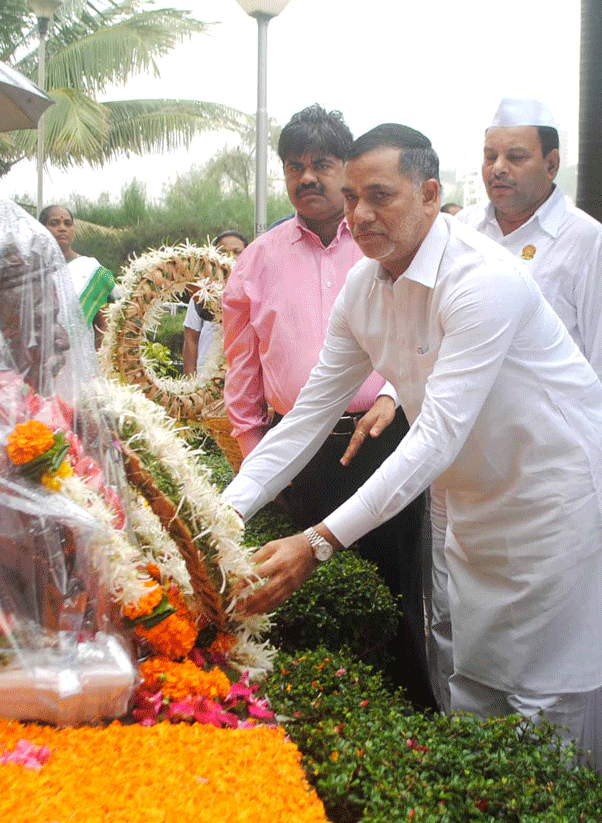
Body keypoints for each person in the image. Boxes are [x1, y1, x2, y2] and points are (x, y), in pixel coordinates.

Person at [225, 122, 602, 766]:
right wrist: (221, 517)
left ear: (430, 193)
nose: (361, 216)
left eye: (380, 196)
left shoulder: (484, 279)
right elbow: (306, 418)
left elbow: (435, 435)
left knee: (549, 714)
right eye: (352, 199)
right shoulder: (363, 288)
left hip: (553, 506)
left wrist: (318, 543)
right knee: (476, 695)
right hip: (473, 510)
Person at [222, 104, 433, 709]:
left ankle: (404, 706)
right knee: (309, 590)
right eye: (294, 166)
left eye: (321, 164)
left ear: (347, 172)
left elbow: (420, 343)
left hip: (386, 438)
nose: (307, 177)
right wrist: (249, 455)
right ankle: (321, 707)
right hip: (297, 449)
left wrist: (393, 395)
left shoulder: (379, 243)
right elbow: (242, 366)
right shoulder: (257, 257)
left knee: (396, 581)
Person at [456, 97, 602, 377]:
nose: (498, 168)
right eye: (490, 157)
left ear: (552, 164)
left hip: (556, 418)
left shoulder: (586, 239)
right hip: (472, 414)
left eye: (516, 157)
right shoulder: (464, 227)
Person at [39, 205, 120, 343]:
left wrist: (99, 360)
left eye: (68, 223)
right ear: (41, 228)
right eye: (54, 223)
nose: (62, 228)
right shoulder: (31, 270)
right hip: (39, 356)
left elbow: (103, 323)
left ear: (73, 229)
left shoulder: (91, 269)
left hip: (81, 358)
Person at [182, 230, 248, 376]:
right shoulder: (202, 292)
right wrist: (191, 383)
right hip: (206, 381)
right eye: (223, 252)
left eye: (237, 252)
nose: (230, 257)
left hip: (241, 381)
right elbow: (191, 339)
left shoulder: (255, 291)